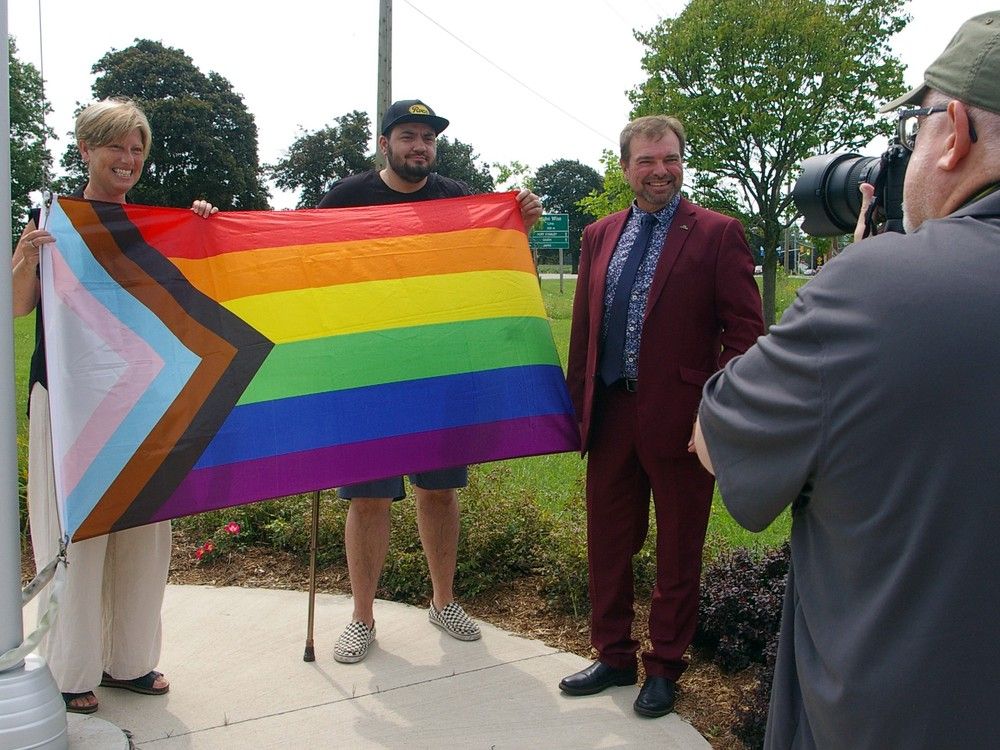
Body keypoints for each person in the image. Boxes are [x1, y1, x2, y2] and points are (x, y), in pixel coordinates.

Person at [693, 12, 1000, 748]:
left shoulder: (871, 290)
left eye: (913, 130)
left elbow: (713, 439)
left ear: (954, 130)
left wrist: (862, 277)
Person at [317, 99, 543, 663]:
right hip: (369, 372)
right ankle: (362, 618)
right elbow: (308, 263)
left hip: (441, 372)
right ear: (385, 142)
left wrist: (518, 228)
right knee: (368, 498)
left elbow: (487, 269)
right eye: (409, 136)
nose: (420, 146)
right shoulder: (346, 198)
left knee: (438, 491)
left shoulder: (459, 198)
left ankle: (443, 602)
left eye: (428, 138)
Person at [12, 98, 217, 714]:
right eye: (115, 148)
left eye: (137, 150)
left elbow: (204, 284)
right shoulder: (53, 216)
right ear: (87, 150)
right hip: (69, 399)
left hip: (150, 402)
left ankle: (129, 661)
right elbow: (19, 306)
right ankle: (70, 670)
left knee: (144, 531)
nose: (127, 160)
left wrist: (201, 223)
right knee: (75, 533)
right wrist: (23, 257)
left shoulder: (156, 224)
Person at [559, 114, 763, 717]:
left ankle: (666, 665)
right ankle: (613, 653)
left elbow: (747, 334)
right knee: (609, 541)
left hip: (684, 421)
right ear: (625, 168)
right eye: (647, 161)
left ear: (682, 162)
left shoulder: (718, 233)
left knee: (679, 546)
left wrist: (713, 407)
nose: (660, 171)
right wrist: (576, 413)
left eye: (670, 159)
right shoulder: (598, 235)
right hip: (611, 415)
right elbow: (583, 335)